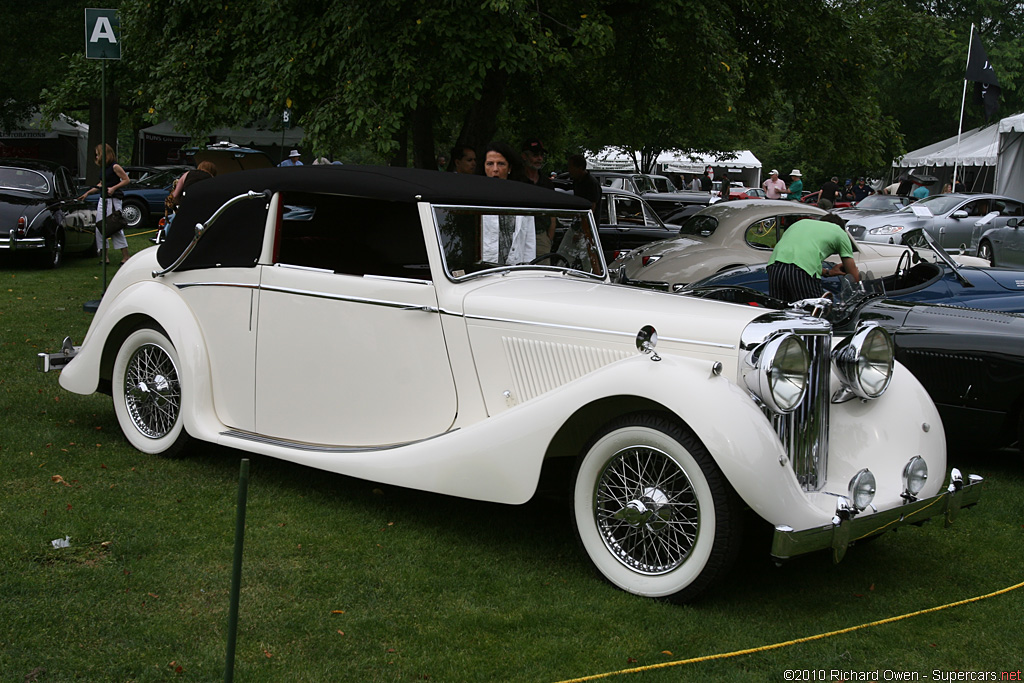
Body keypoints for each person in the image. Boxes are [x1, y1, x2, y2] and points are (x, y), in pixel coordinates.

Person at [766, 214, 860, 303]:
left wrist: (829, 272)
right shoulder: (839, 231)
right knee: (813, 313)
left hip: (774, 267)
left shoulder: (801, 223)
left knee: (781, 312)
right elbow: (852, 274)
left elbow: (794, 259)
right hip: (801, 271)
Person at [481, 142, 534, 264]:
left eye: (501, 164)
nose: (495, 169)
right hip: (483, 271)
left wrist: (528, 269)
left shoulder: (522, 199)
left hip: (515, 270)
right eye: (490, 164)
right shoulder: (473, 198)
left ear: (509, 168)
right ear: (483, 167)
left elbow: (529, 242)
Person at [78, 143, 130, 265]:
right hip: (103, 199)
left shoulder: (115, 167)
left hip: (113, 200)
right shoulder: (103, 168)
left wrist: (113, 188)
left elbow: (126, 180)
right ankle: (105, 257)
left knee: (115, 226)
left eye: (97, 154)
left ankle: (126, 256)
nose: (96, 157)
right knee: (101, 227)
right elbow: (101, 184)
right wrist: (87, 193)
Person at [567, 154, 602, 226]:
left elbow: (592, 207)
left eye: (571, 167)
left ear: (580, 168)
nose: (569, 170)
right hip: (578, 222)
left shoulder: (592, 183)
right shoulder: (576, 181)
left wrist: (585, 224)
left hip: (589, 225)